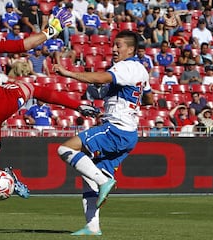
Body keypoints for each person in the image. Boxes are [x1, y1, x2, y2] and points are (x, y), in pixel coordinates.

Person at [0, 8, 98, 199]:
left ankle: (6, 181)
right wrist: (52, 30)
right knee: (31, 87)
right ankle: (78, 106)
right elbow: (23, 45)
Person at [53, 30, 153, 236]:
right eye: (113, 45)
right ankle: (92, 227)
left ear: (131, 49)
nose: (114, 49)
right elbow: (149, 100)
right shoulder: (141, 69)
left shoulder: (126, 66)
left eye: (119, 46)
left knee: (65, 149)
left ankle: (104, 181)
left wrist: (69, 73)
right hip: (129, 132)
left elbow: (103, 76)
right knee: (88, 175)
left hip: (116, 128)